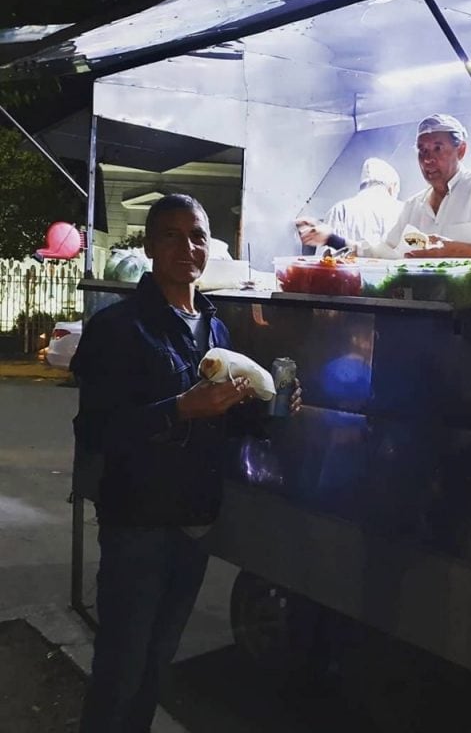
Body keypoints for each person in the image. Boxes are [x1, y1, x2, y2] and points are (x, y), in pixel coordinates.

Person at [72, 193, 300, 732]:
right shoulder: (119, 328)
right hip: (137, 524)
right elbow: (97, 431)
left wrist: (271, 411)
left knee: (156, 663)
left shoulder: (216, 330)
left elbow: (223, 421)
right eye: (171, 235)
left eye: (197, 236)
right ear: (150, 246)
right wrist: (177, 409)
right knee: (121, 668)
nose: (186, 247)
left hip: (194, 521)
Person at [378, 113, 471, 263]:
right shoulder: (413, 206)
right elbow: (388, 252)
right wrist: (355, 248)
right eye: (422, 150)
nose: (427, 159)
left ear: (461, 150)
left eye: (437, 148)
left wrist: (461, 250)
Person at [296, 157, 402, 255]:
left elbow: (326, 259)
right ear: (392, 187)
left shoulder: (340, 209)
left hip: (348, 275)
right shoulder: (403, 210)